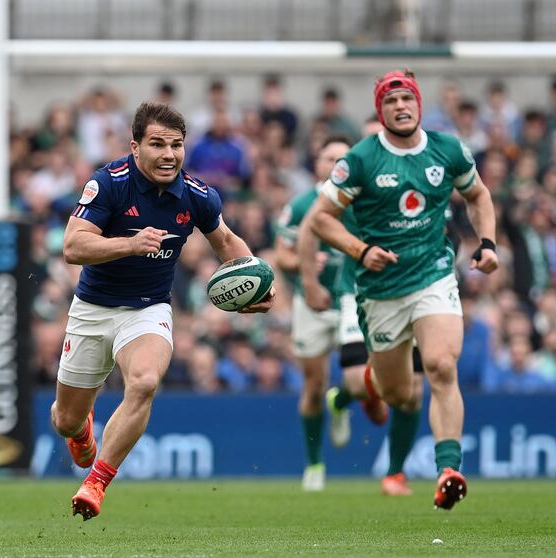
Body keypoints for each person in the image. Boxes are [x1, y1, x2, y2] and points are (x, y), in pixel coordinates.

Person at [54, 101, 275, 520]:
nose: (168, 154)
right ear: (135, 147)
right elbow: (72, 246)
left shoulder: (197, 195)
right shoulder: (109, 183)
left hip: (148, 308)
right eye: (157, 144)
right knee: (65, 419)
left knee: (145, 381)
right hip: (93, 309)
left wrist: (258, 285)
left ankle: (97, 483)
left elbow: (226, 242)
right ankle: (81, 429)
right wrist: (129, 243)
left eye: (176, 145)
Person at [308, 70, 498, 510]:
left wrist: (487, 244)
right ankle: (372, 382)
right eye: (391, 100)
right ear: (381, 110)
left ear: (418, 102)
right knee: (399, 394)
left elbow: (479, 195)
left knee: (441, 367)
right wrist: (361, 250)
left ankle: (448, 469)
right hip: (380, 291)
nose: (400, 106)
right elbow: (321, 217)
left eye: (407, 98)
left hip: (433, 275)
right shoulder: (361, 159)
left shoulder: (448, 149)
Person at [276, 134, 391, 491]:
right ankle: (314, 465)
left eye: (343, 158)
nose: (335, 164)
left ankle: (341, 401)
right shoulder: (301, 205)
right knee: (313, 383)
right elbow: (282, 256)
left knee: (360, 379)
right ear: (318, 163)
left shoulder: (365, 199)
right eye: (329, 158)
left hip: (353, 297)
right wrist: (305, 265)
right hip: (311, 303)